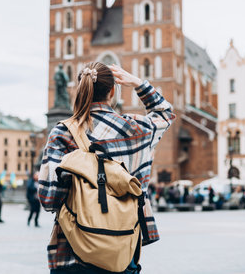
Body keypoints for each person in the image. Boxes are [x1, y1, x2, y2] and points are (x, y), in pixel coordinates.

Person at [38, 62, 175, 273]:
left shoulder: (62, 133)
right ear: (112, 91)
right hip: (122, 253)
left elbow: (49, 198)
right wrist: (137, 83)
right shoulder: (137, 129)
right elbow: (165, 113)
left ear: (81, 88)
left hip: (72, 254)